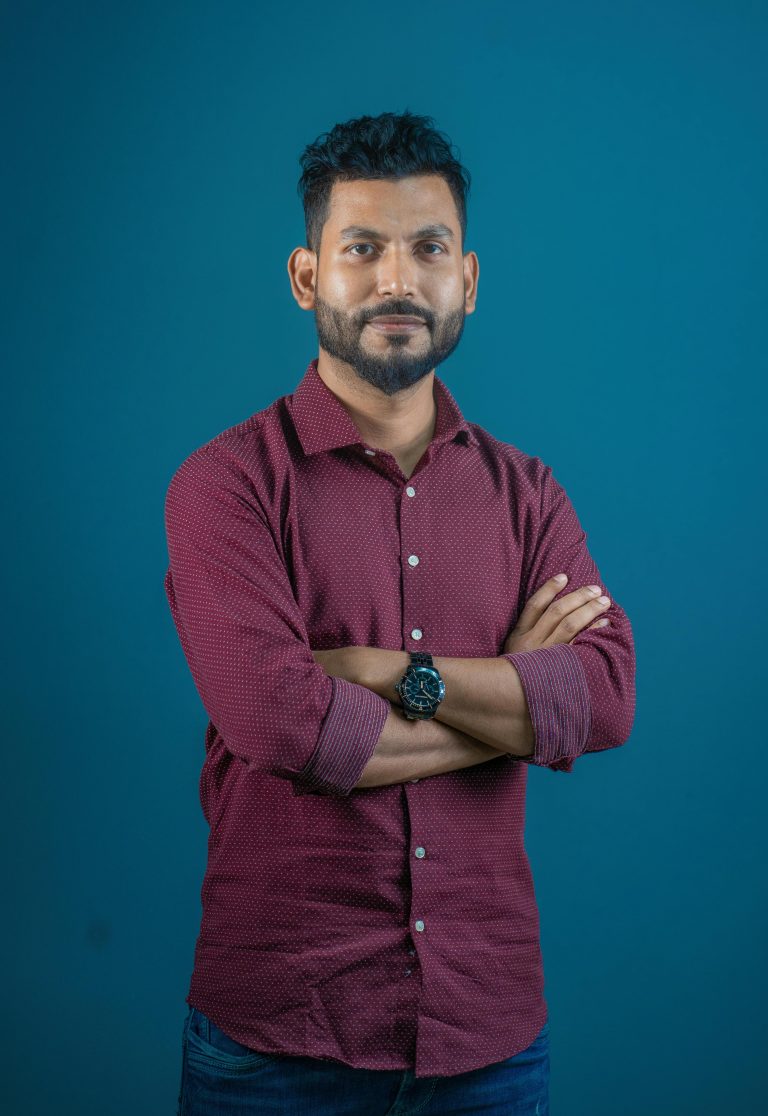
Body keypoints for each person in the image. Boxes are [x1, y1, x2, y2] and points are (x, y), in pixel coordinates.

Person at [164, 109, 636, 1116]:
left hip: (490, 1042)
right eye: (362, 248)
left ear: (467, 279)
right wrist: (513, 704)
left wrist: (378, 672)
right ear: (307, 278)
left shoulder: (530, 493)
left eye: (429, 248)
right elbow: (277, 721)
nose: (397, 279)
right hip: (279, 1047)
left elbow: (604, 697)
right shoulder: (225, 486)